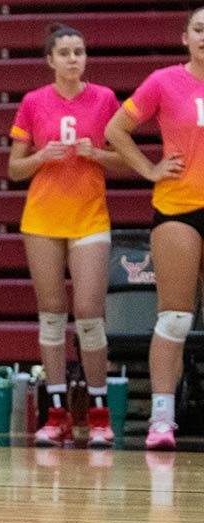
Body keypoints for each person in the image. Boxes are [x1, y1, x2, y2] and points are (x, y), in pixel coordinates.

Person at [8, 25, 127, 448]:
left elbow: (123, 159)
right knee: (52, 314)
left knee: (90, 315)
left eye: (79, 51)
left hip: (89, 218)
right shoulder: (33, 102)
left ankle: (99, 414)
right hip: (42, 219)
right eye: (65, 52)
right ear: (51, 60)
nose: (74, 59)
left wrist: (101, 154)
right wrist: (42, 156)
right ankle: (56, 414)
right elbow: (14, 169)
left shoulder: (106, 99)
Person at [105, 6, 204, 451]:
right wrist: (149, 169)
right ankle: (162, 419)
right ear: (186, 36)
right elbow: (116, 129)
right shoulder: (164, 81)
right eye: (200, 29)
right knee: (176, 317)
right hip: (179, 207)